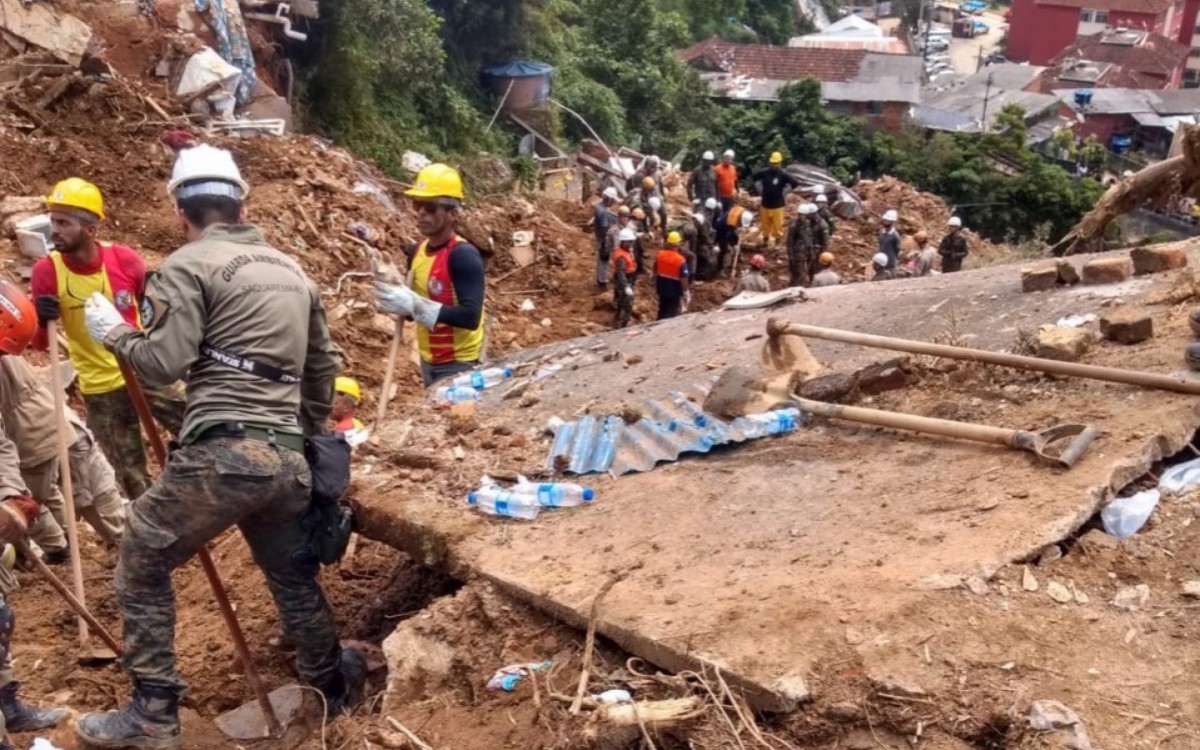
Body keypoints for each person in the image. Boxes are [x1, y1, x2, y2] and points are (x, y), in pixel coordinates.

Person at [75, 145, 361, 749]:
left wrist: (117, 334)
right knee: (292, 576)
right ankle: (330, 686)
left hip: (224, 454)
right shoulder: (293, 272)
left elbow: (162, 363)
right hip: (285, 460)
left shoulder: (187, 265)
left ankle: (153, 714)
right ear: (242, 204)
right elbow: (323, 376)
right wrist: (302, 440)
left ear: (181, 210)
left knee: (141, 560)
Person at [32, 178, 185, 501]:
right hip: (100, 387)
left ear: (90, 229)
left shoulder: (125, 261)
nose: (54, 230)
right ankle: (154, 529)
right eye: (52, 221)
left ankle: (193, 487)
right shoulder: (47, 272)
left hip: (144, 367)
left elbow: (156, 311)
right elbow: (41, 344)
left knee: (196, 423)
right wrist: (40, 317)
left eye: (64, 222)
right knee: (128, 473)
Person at [375, 164, 487, 388]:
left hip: (459, 362)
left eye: (430, 207)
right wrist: (396, 298)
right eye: (417, 206)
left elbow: (470, 317)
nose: (421, 213)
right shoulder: (416, 252)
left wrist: (414, 305)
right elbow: (414, 310)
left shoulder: (462, 256)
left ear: (453, 214)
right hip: (429, 359)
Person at [753, 152, 801, 250]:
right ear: (770, 162)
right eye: (773, 163)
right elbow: (755, 178)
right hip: (765, 204)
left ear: (780, 163)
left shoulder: (783, 174)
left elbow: (795, 183)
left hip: (778, 205)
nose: (774, 165)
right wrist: (759, 189)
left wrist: (785, 191)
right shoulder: (764, 172)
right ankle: (765, 240)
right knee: (765, 225)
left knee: (778, 226)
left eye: (776, 163)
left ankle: (777, 242)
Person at [786, 203, 824, 288]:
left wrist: (811, 252)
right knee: (797, 274)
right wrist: (791, 257)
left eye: (803, 215)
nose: (801, 217)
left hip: (807, 254)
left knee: (807, 273)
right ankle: (793, 288)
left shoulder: (807, 224)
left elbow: (809, 239)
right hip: (797, 255)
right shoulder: (794, 226)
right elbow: (789, 243)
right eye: (800, 214)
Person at [654, 232, 690, 320]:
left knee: (662, 308)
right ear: (677, 244)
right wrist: (685, 291)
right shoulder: (680, 260)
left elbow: (655, 267)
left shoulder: (660, 254)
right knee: (671, 311)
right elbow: (684, 278)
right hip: (674, 290)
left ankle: (657, 324)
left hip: (661, 287)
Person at [592, 187, 619, 291]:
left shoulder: (600, 207)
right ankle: (602, 281)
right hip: (603, 239)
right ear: (608, 199)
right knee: (603, 260)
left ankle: (601, 279)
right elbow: (604, 228)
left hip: (599, 237)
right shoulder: (603, 212)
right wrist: (606, 243)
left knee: (601, 260)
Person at [716, 205, 754, 276]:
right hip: (721, 229)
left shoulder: (742, 211)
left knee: (736, 239)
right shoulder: (731, 223)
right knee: (724, 249)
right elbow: (729, 235)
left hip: (728, 226)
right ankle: (721, 269)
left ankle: (739, 255)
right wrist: (734, 245)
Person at [612, 228, 638, 329]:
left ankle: (619, 320)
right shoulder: (621, 257)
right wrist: (626, 286)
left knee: (622, 303)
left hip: (628, 280)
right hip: (624, 282)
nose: (631, 243)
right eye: (629, 241)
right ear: (623, 241)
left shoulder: (626, 251)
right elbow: (621, 273)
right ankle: (622, 324)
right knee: (627, 304)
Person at [877, 209, 901, 273]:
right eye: (885, 220)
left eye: (887, 221)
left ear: (892, 222)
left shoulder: (895, 236)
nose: (885, 222)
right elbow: (880, 244)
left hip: (890, 263)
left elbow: (897, 249)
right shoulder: (881, 232)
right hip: (881, 260)